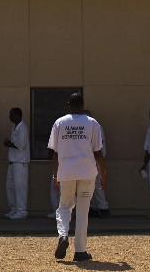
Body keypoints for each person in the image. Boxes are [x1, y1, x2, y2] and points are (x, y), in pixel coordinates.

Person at [48, 93, 106, 262]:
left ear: (69, 104)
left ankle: (63, 235)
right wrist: (103, 172)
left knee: (64, 206)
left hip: (66, 172)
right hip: (87, 172)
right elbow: (98, 152)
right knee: (82, 211)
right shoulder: (92, 123)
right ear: (83, 104)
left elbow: (55, 153)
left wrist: (55, 175)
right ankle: (80, 251)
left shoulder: (60, 122)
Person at [3, 107, 29, 219]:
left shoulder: (23, 128)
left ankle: (22, 211)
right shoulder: (14, 128)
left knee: (20, 187)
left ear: (18, 115)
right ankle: (14, 209)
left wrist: (9, 143)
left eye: (11, 115)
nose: (9, 117)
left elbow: (21, 145)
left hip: (20, 163)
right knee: (10, 187)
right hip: (12, 162)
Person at [85, 110, 110, 218]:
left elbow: (99, 145)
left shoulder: (96, 126)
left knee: (97, 184)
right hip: (86, 160)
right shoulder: (85, 127)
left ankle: (103, 207)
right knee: (86, 185)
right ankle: (92, 207)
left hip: (95, 159)